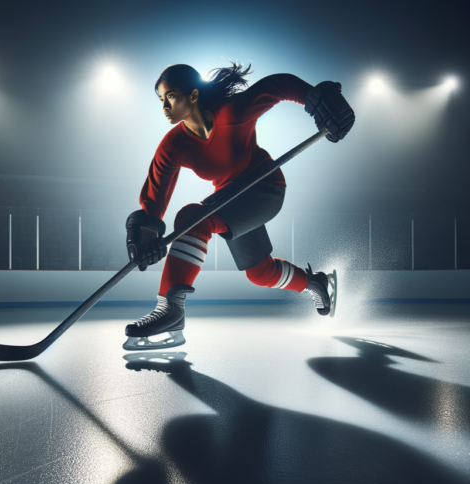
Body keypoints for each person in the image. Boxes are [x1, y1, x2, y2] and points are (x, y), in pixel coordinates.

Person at [123, 62, 354, 350]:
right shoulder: (173, 145)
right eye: (161, 100)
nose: (164, 107)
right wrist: (145, 232)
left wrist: (316, 99)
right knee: (260, 273)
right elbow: (154, 198)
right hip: (230, 199)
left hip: (265, 188)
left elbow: (278, 85)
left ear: (193, 96)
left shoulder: (232, 113)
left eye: (170, 97)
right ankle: (316, 283)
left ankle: (170, 308)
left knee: (193, 217)